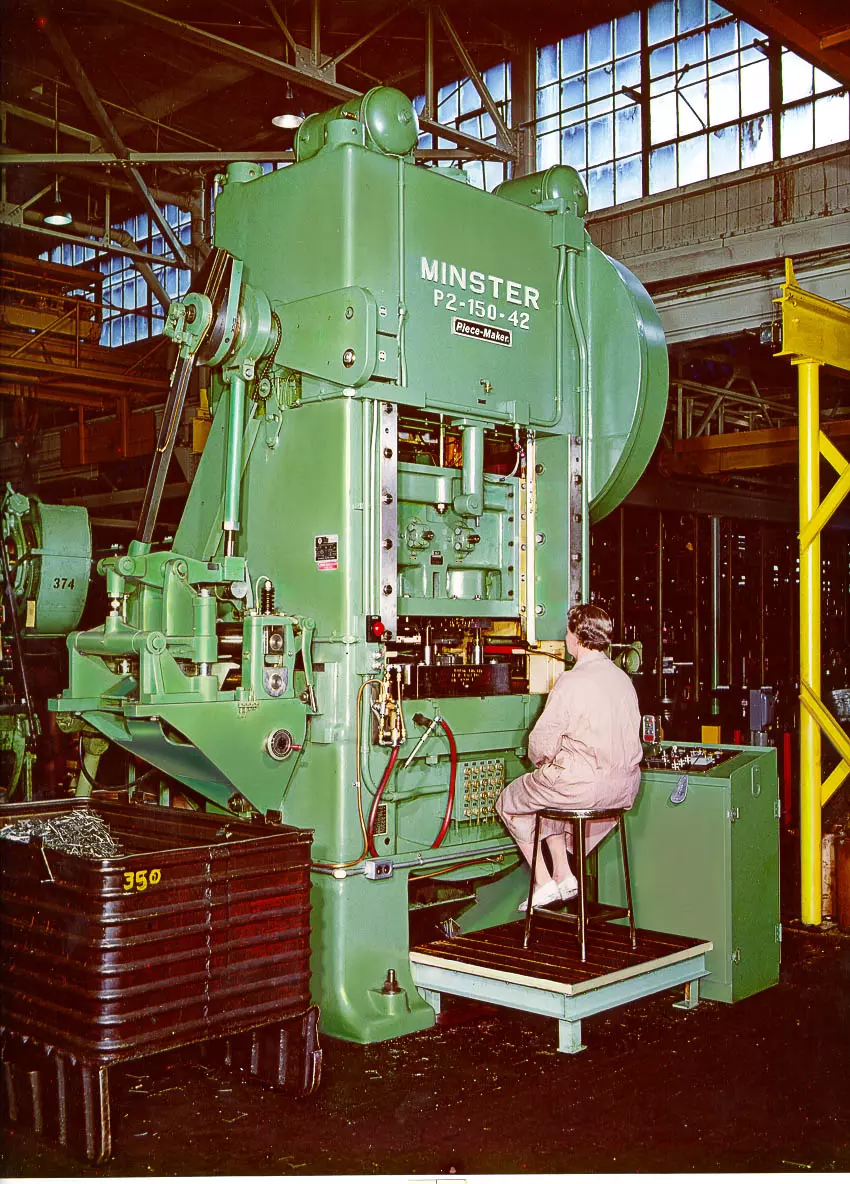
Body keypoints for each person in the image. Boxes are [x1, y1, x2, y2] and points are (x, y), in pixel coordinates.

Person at [496, 603, 643, 911]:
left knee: (510, 801)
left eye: (567, 632)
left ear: (577, 637)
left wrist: (541, 761)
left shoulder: (571, 681)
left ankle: (543, 882)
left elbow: (542, 742)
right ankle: (564, 875)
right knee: (546, 795)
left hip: (582, 787)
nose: (565, 637)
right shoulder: (622, 680)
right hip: (624, 789)